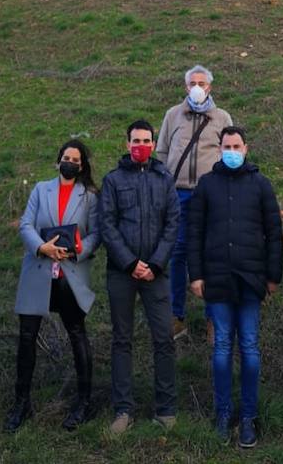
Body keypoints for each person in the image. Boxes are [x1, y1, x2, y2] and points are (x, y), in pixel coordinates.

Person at [187, 126, 283, 449]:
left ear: (246, 148)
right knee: (221, 350)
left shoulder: (260, 184)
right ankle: (223, 413)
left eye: (236, 145)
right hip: (216, 280)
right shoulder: (206, 185)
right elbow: (195, 232)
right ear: (219, 148)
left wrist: (273, 276)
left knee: (251, 351)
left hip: (251, 281)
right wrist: (196, 275)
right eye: (226, 145)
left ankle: (248, 417)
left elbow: (274, 233)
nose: (231, 150)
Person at [8, 139, 102, 432]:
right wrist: (42, 248)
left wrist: (76, 251)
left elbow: (97, 234)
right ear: (57, 160)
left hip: (70, 273)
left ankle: (84, 401)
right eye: (66, 157)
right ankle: (21, 402)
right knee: (27, 335)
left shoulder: (89, 197)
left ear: (82, 165)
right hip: (39, 269)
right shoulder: (40, 189)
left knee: (76, 333)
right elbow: (25, 225)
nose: (70, 162)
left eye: (75, 159)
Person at [98, 119, 180, 433]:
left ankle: (166, 409)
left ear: (153, 143)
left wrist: (155, 264)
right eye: (136, 140)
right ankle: (122, 410)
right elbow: (107, 224)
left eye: (146, 140)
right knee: (122, 340)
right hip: (122, 273)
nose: (141, 145)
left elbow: (173, 223)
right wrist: (131, 263)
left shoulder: (164, 178)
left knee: (164, 339)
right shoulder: (113, 180)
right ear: (127, 143)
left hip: (156, 274)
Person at [156, 63, 233, 341]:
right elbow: (162, 151)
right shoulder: (172, 115)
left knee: (211, 254)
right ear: (185, 87)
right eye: (193, 83)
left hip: (210, 195)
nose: (197, 87)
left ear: (210, 87)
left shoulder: (222, 117)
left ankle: (212, 318)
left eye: (202, 83)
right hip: (177, 194)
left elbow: (230, 153)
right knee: (177, 253)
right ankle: (176, 316)